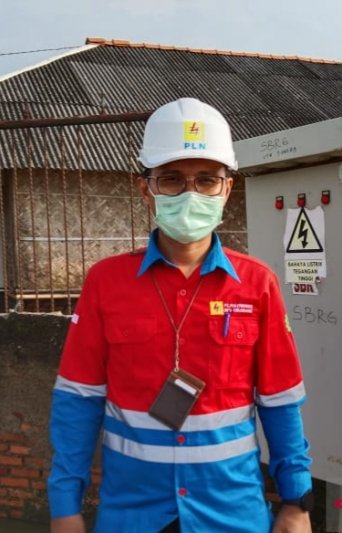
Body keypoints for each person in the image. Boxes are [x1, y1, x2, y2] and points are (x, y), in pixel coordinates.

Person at [49, 97, 313, 533]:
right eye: (171, 179)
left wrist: (296, 501)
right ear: (145, 188)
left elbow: (281, 402)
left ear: (227, 188)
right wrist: (65, 506)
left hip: (231, 512)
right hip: (132, 514)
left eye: (206, 180)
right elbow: (78, 401)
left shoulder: (257, 283)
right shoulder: (106, 282)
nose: (190, 193)